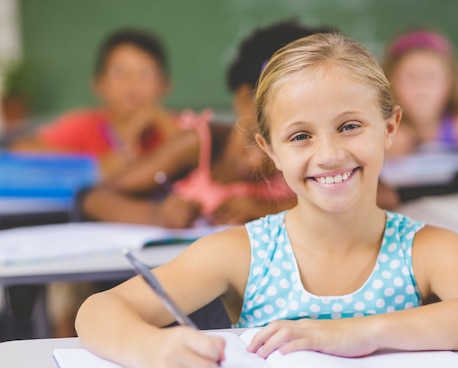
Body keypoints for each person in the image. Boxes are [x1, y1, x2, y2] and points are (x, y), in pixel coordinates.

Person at [75, 32, 458, 368]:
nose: (330, 154)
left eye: (350, 126)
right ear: (269, 149)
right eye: (300, 136)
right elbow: (98, 310)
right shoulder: (243, 251)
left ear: (389, 127)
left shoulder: (425, 249)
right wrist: (148, 349)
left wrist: (364, 333)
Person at [79, 21, 334, 228]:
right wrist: (156, 214)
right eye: (288, 105)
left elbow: (372, 196)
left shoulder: (308, 154)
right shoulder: (200, 144)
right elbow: (94, 198)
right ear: (244, 99)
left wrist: (272, 210)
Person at [8, 28, 177, 179]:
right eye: (119, 72)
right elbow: (21, 150)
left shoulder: (174, 126)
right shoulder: (84, 126)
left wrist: (162, 123)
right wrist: (98, 165)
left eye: (144, 73)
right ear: (99, 84)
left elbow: (200, 155)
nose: (132, 83)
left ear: (164, 86)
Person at [382, 28, 458, 158]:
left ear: (450, 82)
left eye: (432, 76)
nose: (422, 87)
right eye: (411, 77)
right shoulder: (381, 130)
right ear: (390, 81)